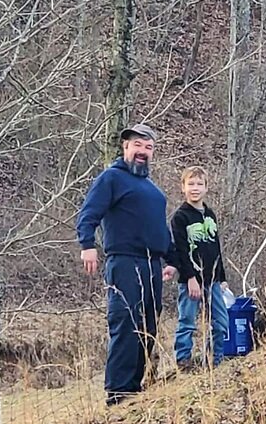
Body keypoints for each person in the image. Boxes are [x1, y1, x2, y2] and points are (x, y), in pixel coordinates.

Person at [75, 123, 178, 405]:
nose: (143, 152)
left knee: (148, 326)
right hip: (125, 262)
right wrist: (87, 245)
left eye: (149, 147)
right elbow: (89, 213)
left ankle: (134, 386)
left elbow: (158, 228)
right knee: (125, 322)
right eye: (138, 146)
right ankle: (118, 392)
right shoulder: (112, 178)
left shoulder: (152, 189)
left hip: (152, 265)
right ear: (126, 148)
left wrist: (170, 259)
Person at [169, 166, 231, 371]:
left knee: (221, 321)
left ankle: (215, 359)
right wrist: (190, 278)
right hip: (190, 281)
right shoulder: (180, 217)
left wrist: (221, 277)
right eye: (191, 184)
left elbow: (216, 248)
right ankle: (183, 361)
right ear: (183, 187)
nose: (195, 189)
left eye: (199, 184)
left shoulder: (210, 214)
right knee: (187, 321)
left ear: (206, 188)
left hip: (212, 279)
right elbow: (180, 250)